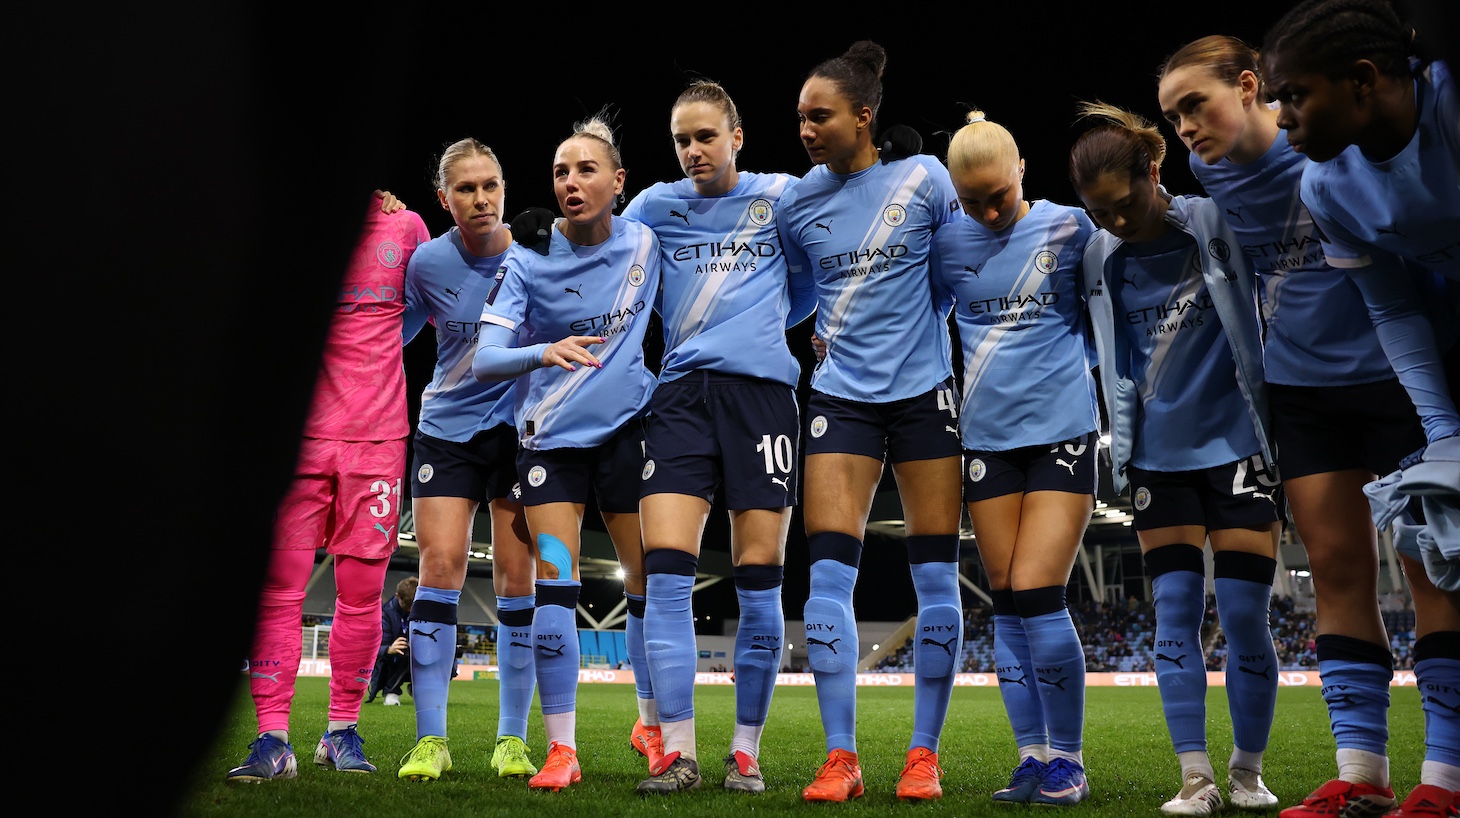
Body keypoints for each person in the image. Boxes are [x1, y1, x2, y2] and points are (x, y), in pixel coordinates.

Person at [1158, 30, 1459, 818]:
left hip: (1395, 378)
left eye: (1196, 104)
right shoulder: (1206, 171)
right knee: (1332, 569)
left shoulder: (1330, 150)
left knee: (1431, 571)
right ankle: (1361, 771)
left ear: (1251, 85)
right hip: (1300, 391)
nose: (1186, 127)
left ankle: (1446, 780)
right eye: (1173, 116)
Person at [1260, 3, 1460, 814]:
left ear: (1365, 82)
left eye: (1295, 96)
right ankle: (1374, 777)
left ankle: (1446, 776)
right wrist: (1445, 433)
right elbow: (1393, 311)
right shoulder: (1325, 183)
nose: (1283, 118)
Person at [1069, 101, 1284, 817]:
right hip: (1158, 459)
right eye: (1099, 212)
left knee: (1249, 612)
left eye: (1125, 205)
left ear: (1153, 172)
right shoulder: (1099, 256)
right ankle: (1195, 777)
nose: (1117, 223)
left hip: (1239, 448)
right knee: (1175, 611)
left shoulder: (1214, 223)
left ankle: (1248, 772)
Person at [775, 40, 964, 803]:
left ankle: (924, 755)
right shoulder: (797, 201)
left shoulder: (926, 177)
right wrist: (816, 334)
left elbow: (953, 278)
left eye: (819, 116)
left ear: (863, 116)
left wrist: (916, 332)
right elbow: (792, 297)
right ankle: (841, 756)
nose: (806, 129)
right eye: (799, 118)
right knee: (826, 574)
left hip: (925, 394)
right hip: (842, 399)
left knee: (936, 573)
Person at [622, 77, 816, 795]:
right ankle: (677, 751)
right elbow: (600, 255)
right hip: (678, 398)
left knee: (759, 576)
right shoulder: (653, 207)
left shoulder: (783, 196)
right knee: (666, 571)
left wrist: (759, 332)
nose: (694, 150)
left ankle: (745, 751)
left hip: (762, 398)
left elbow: (808, 285)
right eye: (681, 140)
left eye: (707, 136)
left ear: (737, 136)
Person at [472, 112, 661, 793]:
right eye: (559, 171)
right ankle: (561, 747)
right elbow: (488, 357)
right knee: (556, 581)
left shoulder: (649, 238)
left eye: (586, 169)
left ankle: (650, 724)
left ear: (619, 180)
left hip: (628, 437)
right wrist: (541, 351)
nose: (571, 182)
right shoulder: (527, 256)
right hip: (551, 447)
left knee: (648, 585)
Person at [226, 190, 428, 782]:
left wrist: (382, 345)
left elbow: (426, 308)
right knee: (280, 586)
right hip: (300, 437)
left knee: (362, 592)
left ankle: (341, 730)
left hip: (377, 436)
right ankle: (273, 739)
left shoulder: (406, 227)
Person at [928, 107, 1097, 807]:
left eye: (998, 194)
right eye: (971, 201)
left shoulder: (1069, 228)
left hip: (1061, 430)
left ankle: (1069, 760)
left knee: (1036, 589)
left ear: (1022, 168)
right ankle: (1029, 757)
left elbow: (1099, 323)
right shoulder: (947, 245)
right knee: (1005, 598)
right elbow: (920, 322)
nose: (988, 211)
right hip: (986, 439)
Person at [393, 138, 539, 784]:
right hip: (446, 430)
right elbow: (391, 330)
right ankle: (432, 740)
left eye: (491, 185)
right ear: (443, 198)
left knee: (519, 578)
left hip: (518, 434)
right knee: (440, 567)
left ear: (504, 187)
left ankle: (512, 740)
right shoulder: (425, 263)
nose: (481, 199)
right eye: (466, 189)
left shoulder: (537, 254)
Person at [368, 576, 417, 706]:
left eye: (414, 605)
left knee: (449, 662)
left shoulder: (425, 610)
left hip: (418, 656)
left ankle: (419, 689)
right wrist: (389, 649)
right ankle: (391, 692)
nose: (411, 610)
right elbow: (373, 649)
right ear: (397, 596)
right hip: (392, 662)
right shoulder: (384, 614)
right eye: (407, 605)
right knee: (402, 651)